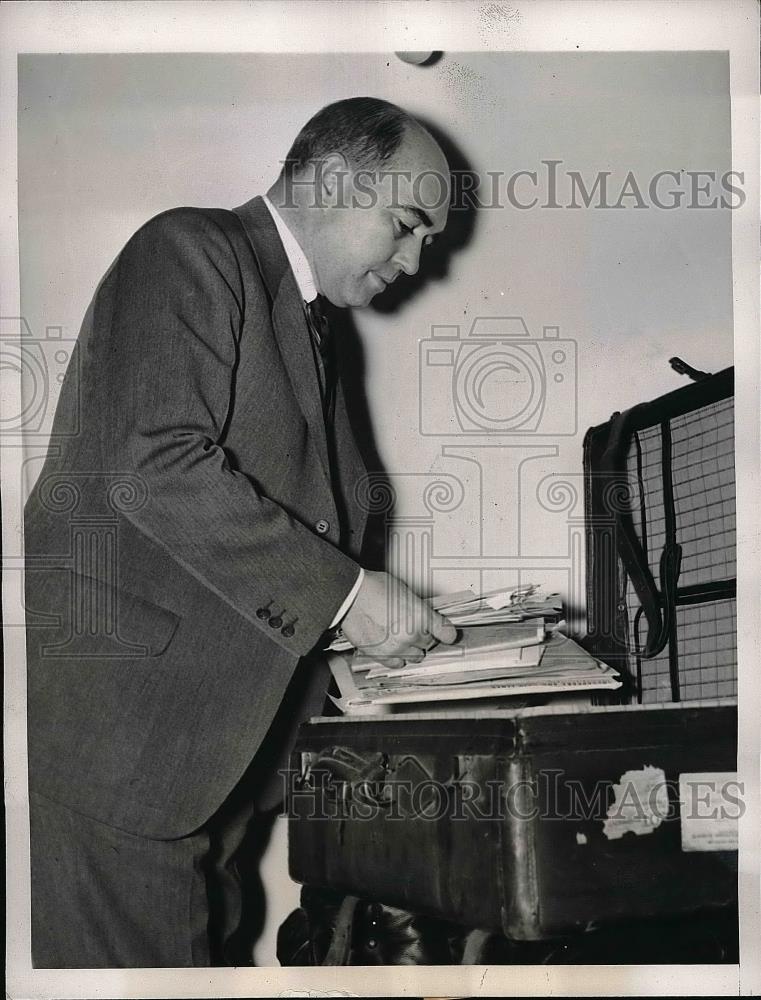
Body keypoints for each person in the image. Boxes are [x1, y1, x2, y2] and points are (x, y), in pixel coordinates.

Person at [24, 96, 456, 968]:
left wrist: (346, 642)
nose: (414, 260)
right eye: (405, 224)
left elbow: (295, 524)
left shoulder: (314, 324)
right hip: (131, 748)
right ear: (333, 178)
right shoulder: (191, 248)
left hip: (211, 761)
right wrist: (347, 596)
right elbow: (151, 466)